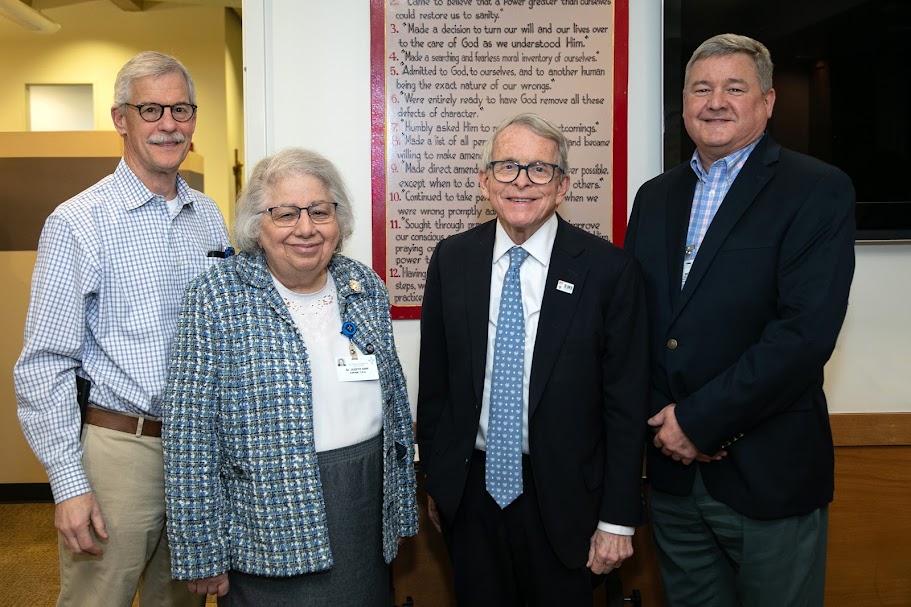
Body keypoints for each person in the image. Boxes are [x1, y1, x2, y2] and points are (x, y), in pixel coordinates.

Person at [624, 34, 856, 607]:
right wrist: (665, 428)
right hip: (674, 477)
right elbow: (636, 324)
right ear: (683, 102)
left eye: (735, 87)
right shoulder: (654, 198)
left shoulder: (817, 190)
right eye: (702, 88)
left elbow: (803, 336)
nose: (715, 101)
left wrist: (698, 422)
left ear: (768, 101)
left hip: (767, 475)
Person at [13, 51, 229, 607]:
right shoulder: (77, 222)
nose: (168, 124)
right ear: (120, 119)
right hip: (119, 452)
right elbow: (44, 362)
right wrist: (68, 481)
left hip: (196, 452)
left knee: (179, 602)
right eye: (150, 109)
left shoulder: (208, 216)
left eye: (180, 109)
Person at [161, 147, 418, 606]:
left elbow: (394, 407)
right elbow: (190, 437)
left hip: (363, 502)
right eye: (285, 214)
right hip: (265, 520)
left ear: (338, 221)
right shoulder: (216, 298)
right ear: (256, 225)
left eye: (320, 212)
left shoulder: (365, 286)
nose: (305, 228)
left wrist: (397, 512)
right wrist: (202, 549)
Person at [416, 112, 649, 606]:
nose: (522, 182)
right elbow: (436, 384)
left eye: (539, 170)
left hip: (567, 503)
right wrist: (439, 484)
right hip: (473, 496)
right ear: (485, 181)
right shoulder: (452, 259)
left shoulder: (609, 271)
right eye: (507, 167)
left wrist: (617, 518)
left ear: (562, 186)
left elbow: (625, 406)